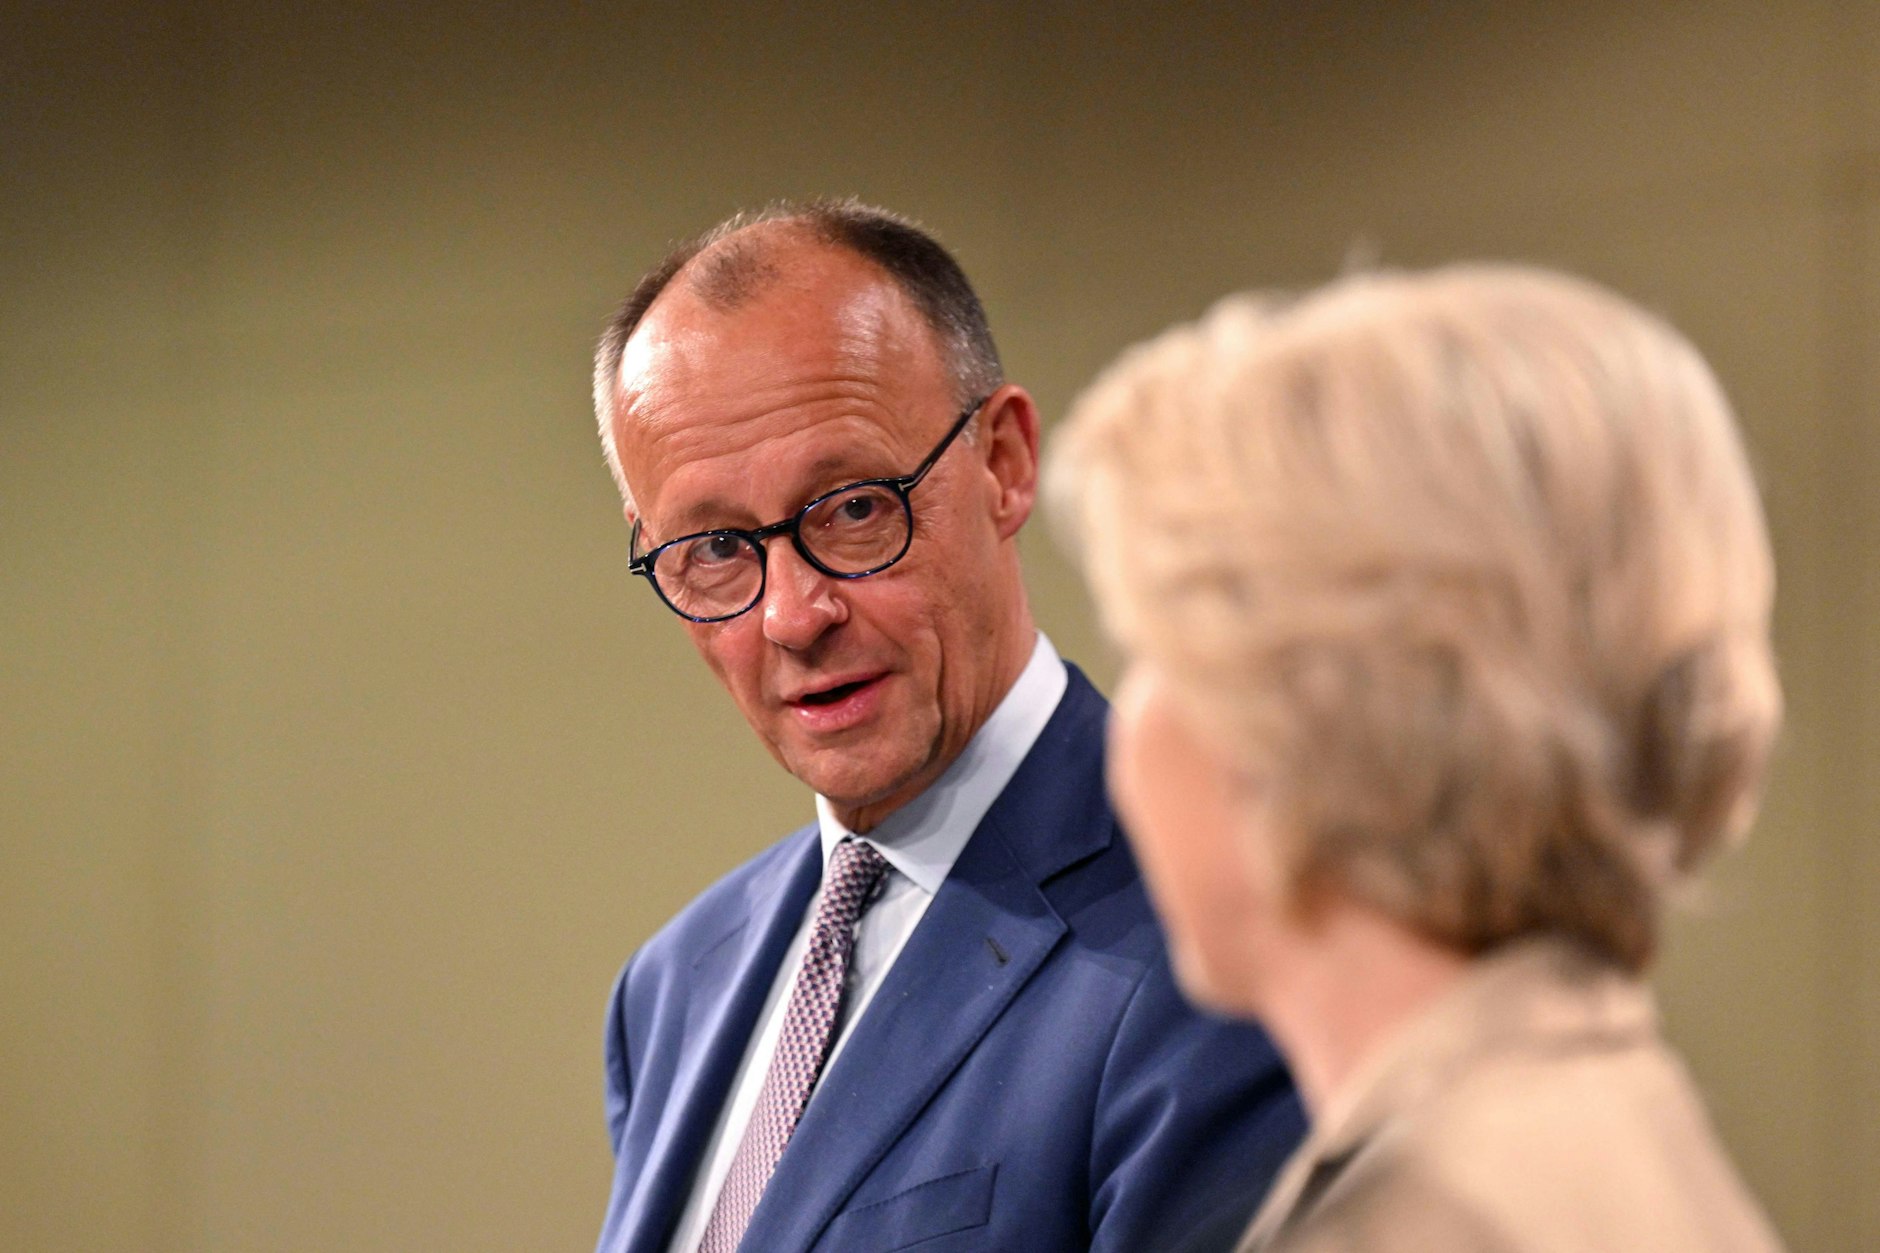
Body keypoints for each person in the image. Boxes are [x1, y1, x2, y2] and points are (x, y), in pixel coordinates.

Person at [587, 200, 1304, 1253]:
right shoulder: (673, 985)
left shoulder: (1227, 932)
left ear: (1004, 462)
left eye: (853, 508)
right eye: (715, 549)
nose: (792, 614)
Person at [1047, 263, 1788, 1252]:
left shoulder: (1417, 1219)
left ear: (1304, 712)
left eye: (1156, 654)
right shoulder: (1615, 1127)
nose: (1126, 729)